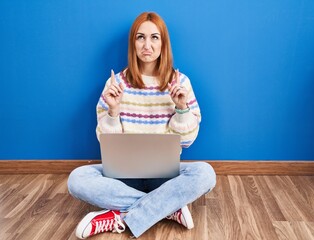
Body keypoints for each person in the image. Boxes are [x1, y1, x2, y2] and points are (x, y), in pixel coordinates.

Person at [67, 12, 216, 239]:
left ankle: (119, 216)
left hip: (166, 177)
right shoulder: (115, 83)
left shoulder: (180, 83)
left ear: (163, 44)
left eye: (154, 37)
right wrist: (113, 111)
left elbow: (186, 141)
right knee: (77, 179)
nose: (147, 44)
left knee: (206, 173)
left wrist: (182, 108)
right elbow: (105, 141)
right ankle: (166, 208)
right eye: (140, 37)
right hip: (123, 177)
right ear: (133, 43)